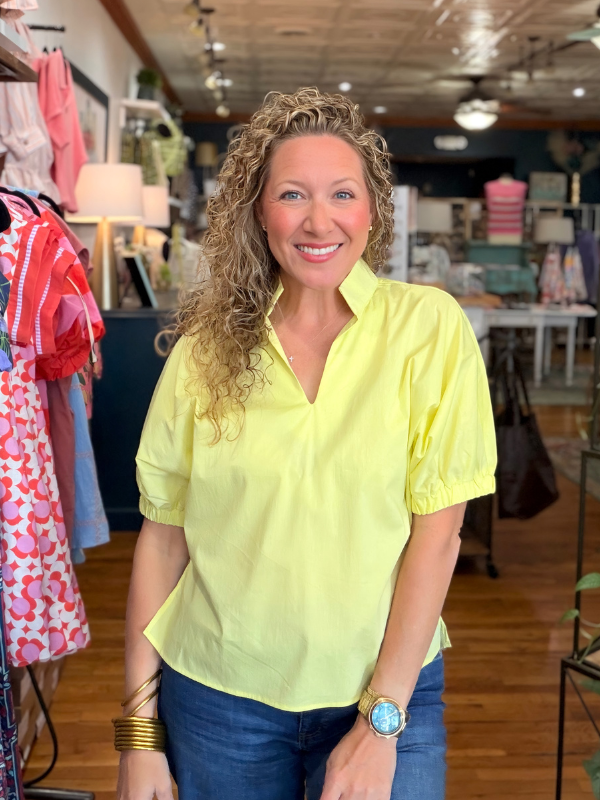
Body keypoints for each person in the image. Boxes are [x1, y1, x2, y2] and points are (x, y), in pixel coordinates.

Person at [116, 87, 496, 800]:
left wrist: (382, 721)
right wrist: (139, 739)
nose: (318, 220)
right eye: (292, 194)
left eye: (342, 193)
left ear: (372, 210)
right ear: (259, 213)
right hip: (217, 701)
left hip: (386, 691)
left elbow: (438, 537)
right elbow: (161, 543)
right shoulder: (204, 353)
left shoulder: (428, 330)